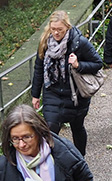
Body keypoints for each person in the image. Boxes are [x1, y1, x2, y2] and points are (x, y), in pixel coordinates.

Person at [31, 11, 103, 155]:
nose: (56, 33)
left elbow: (97, 63)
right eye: (53, 29)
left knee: (77, 127)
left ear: (67, 27)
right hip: (52, 91)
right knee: (50, 128)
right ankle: (51, 162)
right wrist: (35, 94)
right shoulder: (45, 42)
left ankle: (80, 159)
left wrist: (78, 65)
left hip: (75, 94)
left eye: (60, 30)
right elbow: (39, 68)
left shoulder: (79, 42)